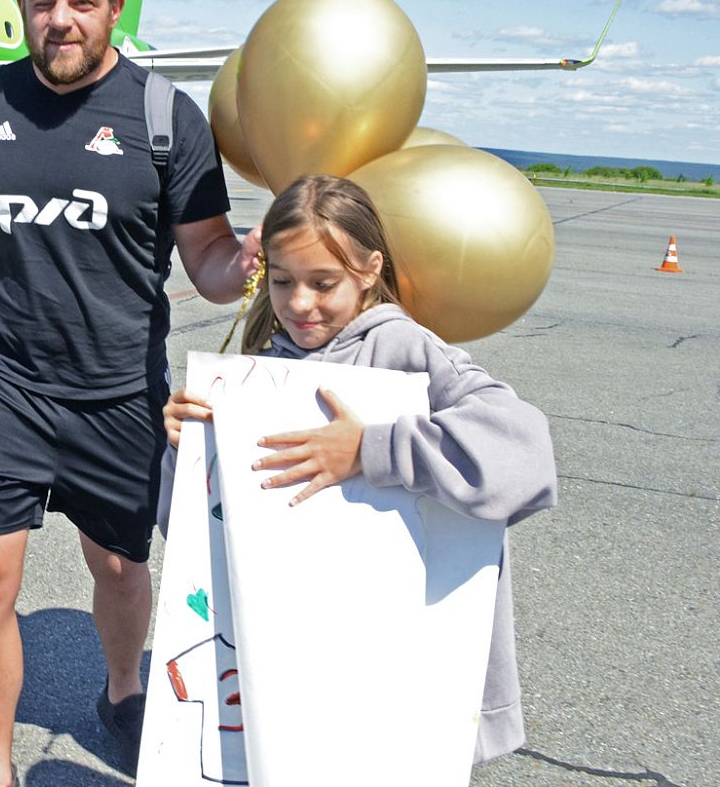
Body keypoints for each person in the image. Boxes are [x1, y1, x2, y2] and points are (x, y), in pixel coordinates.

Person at [0, 0, 260, 787]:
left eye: (81, 2)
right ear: (22, 5)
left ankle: (122, 691)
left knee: (120, 567)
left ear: (115, 8)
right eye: (42, 2)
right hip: (0, 387)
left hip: (118, 395)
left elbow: (207, 259)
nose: (60, 19)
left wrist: (246, 262)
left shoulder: (165, 117)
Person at [162, 174, 557, 764]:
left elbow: (524, 452)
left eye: (323, 283)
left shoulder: (407, 351)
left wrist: (370, 449)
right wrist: (186, 449)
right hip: (295, 661)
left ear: (370, 269)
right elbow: (186, 532)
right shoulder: (258, 372)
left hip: (399, 658)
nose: (300, 303)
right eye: (282, 281)